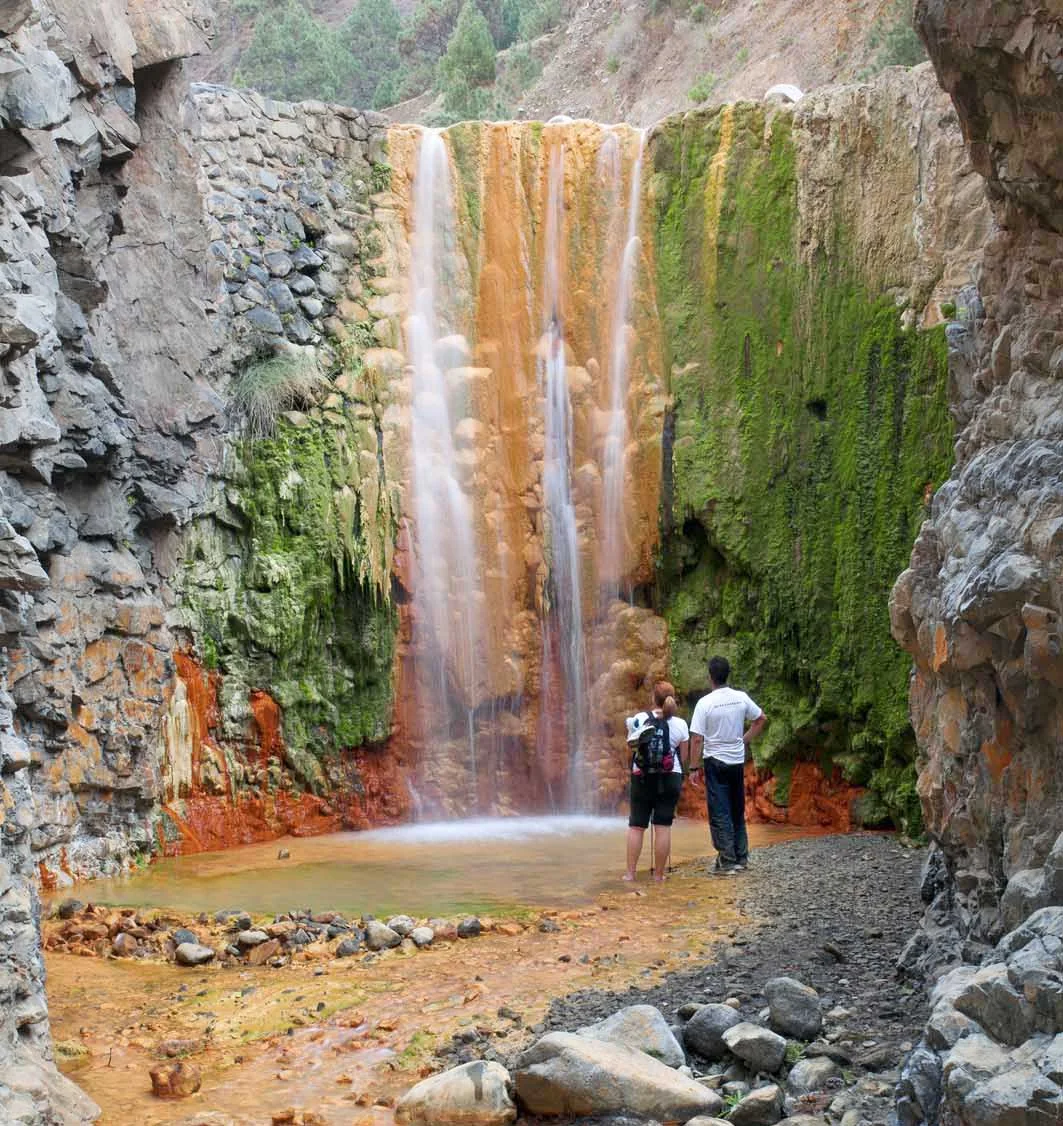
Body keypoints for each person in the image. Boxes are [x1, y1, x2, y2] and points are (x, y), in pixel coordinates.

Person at [689, 656, 766, 874]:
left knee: (720, 811)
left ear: (710, 676)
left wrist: (693, 767)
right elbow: (761, 719)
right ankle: (741, 857)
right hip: (736, 761)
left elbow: (696, 738)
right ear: (727, 674)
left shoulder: (705, 703)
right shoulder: (740, 698)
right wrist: (744, 739)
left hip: (715, 762)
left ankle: (727, 861)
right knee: (736, 808)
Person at [623, 681, 689, 883]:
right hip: (670, 777)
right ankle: (659, 876)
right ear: (672, 699)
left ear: (653, 698)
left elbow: (631, 749)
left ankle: (630, 874)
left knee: (636, 826)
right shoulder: (680, 724)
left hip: (642, 777)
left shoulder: (639, 720)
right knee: (662, 827)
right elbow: (683, 756)